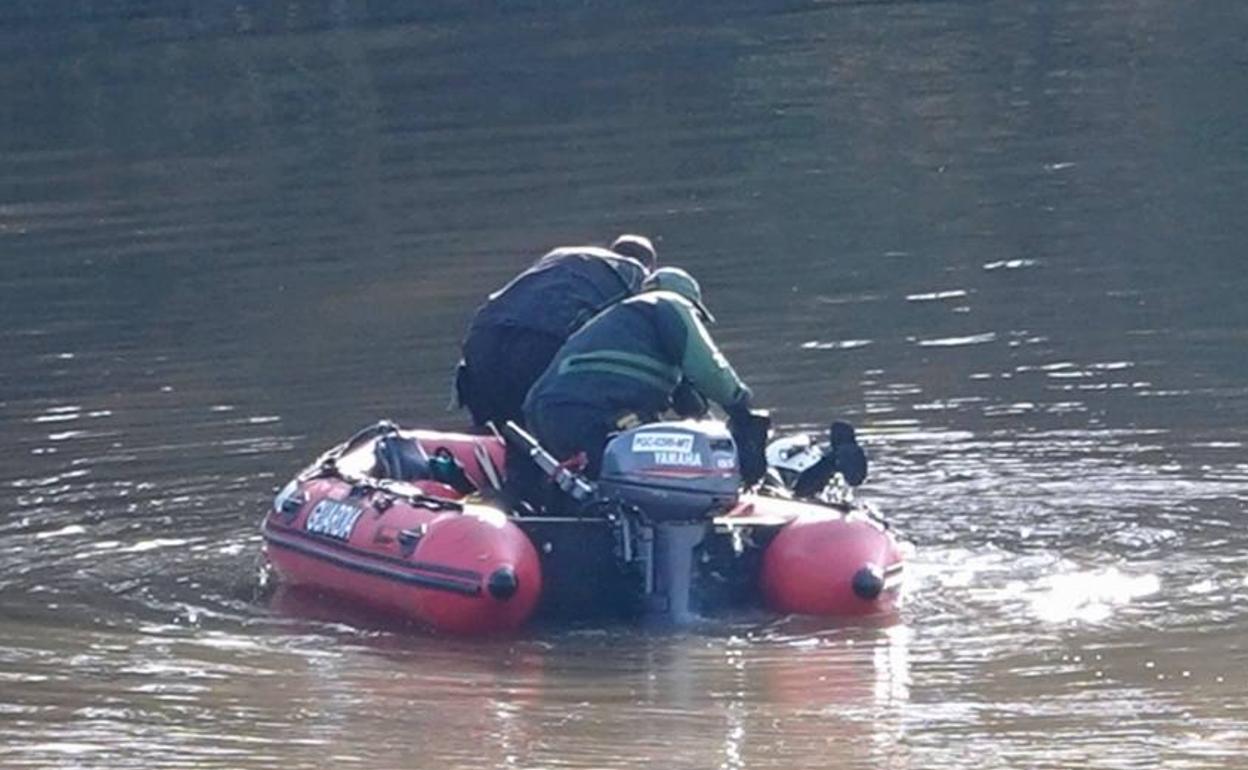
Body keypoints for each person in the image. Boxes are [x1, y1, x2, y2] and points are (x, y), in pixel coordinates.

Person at [523, 267, 753, 477]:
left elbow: (692, 404)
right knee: (635, 482)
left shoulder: (625, 323)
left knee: (592, 483)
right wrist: (739, 403)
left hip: (545, 411)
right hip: (589, 410)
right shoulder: (668, 303)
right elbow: (709, 370)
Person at [454, 234, 657, 427]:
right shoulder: (636, 277)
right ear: (649, 266)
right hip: (541, 342)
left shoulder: (560, 256)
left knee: (498, 425)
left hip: (480, 338)